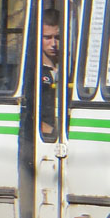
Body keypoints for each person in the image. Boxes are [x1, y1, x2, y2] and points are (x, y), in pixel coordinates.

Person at [40, 8, 61, 137]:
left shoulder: (73, 70)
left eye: (57, 37)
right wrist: (52, 132)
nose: (53, 44)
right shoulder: (32, 73)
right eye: (47, 38)